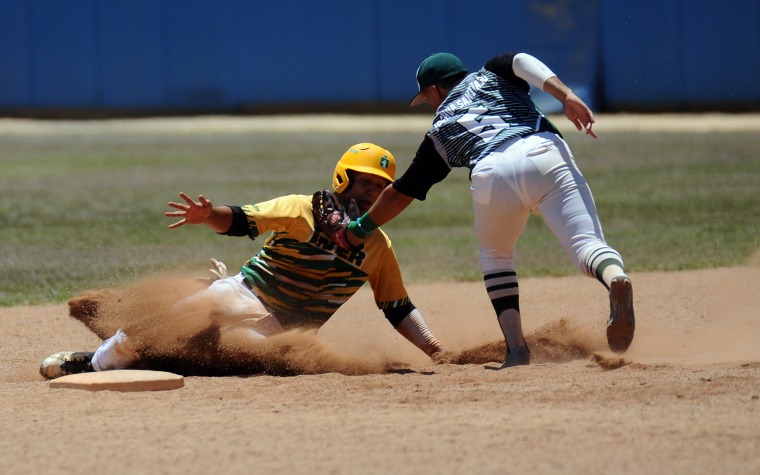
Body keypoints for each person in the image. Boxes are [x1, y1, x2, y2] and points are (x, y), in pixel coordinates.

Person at [40, 143, 443, 379]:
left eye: (381, 188)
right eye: (366, 182)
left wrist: (436, 350)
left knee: (218, 357)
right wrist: (209, 215)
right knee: (150, 332)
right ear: (344, 179)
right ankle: (92, 365)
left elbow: (397, 308)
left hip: (278, 330)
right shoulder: (301, 208)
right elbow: (241, 220)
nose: (373, 192)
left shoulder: (379, 247)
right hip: (240, 295)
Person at [335, 52, 635, 367]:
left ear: (435, 90)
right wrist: (567, 96)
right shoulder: (494, 72)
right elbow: (521, 60)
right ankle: (614, 278)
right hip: (543, 151)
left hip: (491, 173)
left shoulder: (440, 130)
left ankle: (517, 350)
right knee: (586, 244)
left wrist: (358, 229)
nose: (430, 105)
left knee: (496, 257)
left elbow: (401, 192)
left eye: (427, 98)